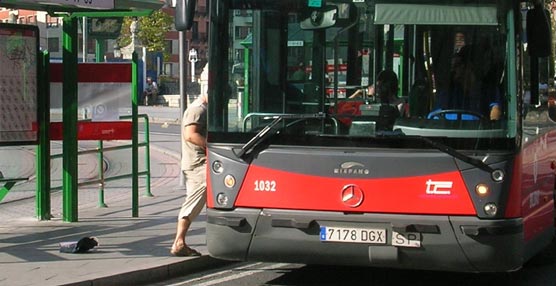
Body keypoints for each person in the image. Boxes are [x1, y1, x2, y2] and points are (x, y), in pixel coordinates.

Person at [171, 94, 208, 257]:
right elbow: (191, 134)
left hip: (197, 163)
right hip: (198, 164)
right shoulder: (198, 109)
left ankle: (180, 241)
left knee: (194, 200)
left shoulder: (202, 108)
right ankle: (179, 242)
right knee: (193, 201)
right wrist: (212, 147)